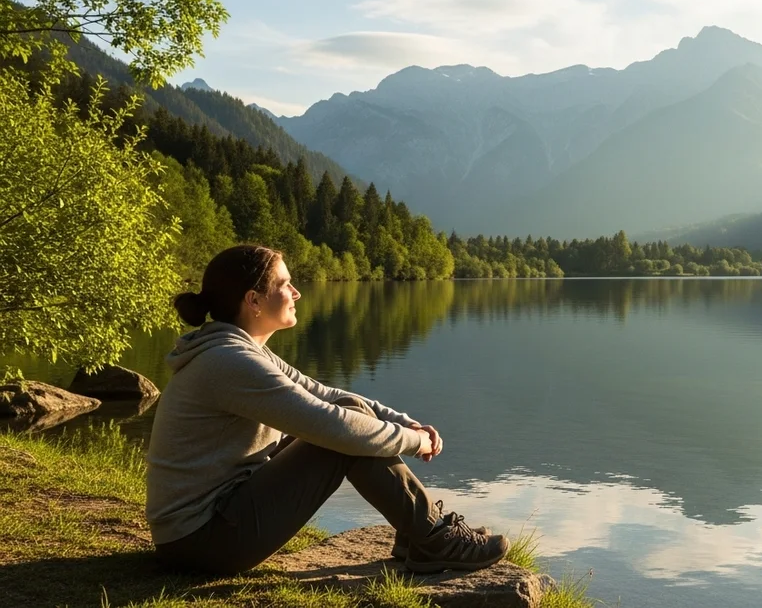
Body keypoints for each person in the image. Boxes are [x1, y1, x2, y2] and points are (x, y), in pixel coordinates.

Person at [145, 244, 508, 575]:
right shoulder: (229, 361)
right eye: (286, 284)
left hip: (211, 525)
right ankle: (433, 537)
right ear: (254, 300)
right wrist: (412, 442)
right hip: (201, 544)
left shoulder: (241, 350)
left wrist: (402, 421)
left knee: (349, 413)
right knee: (343, 438)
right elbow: (333, 425)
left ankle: (420, 534)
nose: (296, 293)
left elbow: (326, 394)